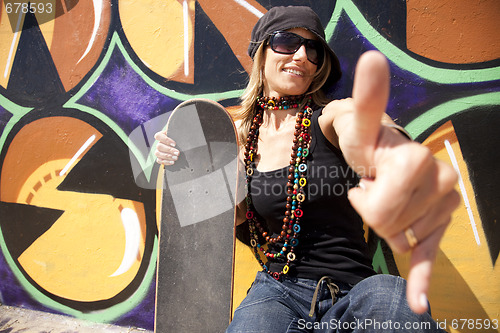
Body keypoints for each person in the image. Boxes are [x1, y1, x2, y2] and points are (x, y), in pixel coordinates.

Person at [154, 6, 459, 332]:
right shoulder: (237, 138)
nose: (301, 56)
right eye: (286, 42)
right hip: (277, 291)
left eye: (312, 49)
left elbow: (358, 124)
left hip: (356, 290)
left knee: (395, 299)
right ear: (261, 51)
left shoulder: (329, 117)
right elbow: (229, 219)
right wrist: (184, 163)